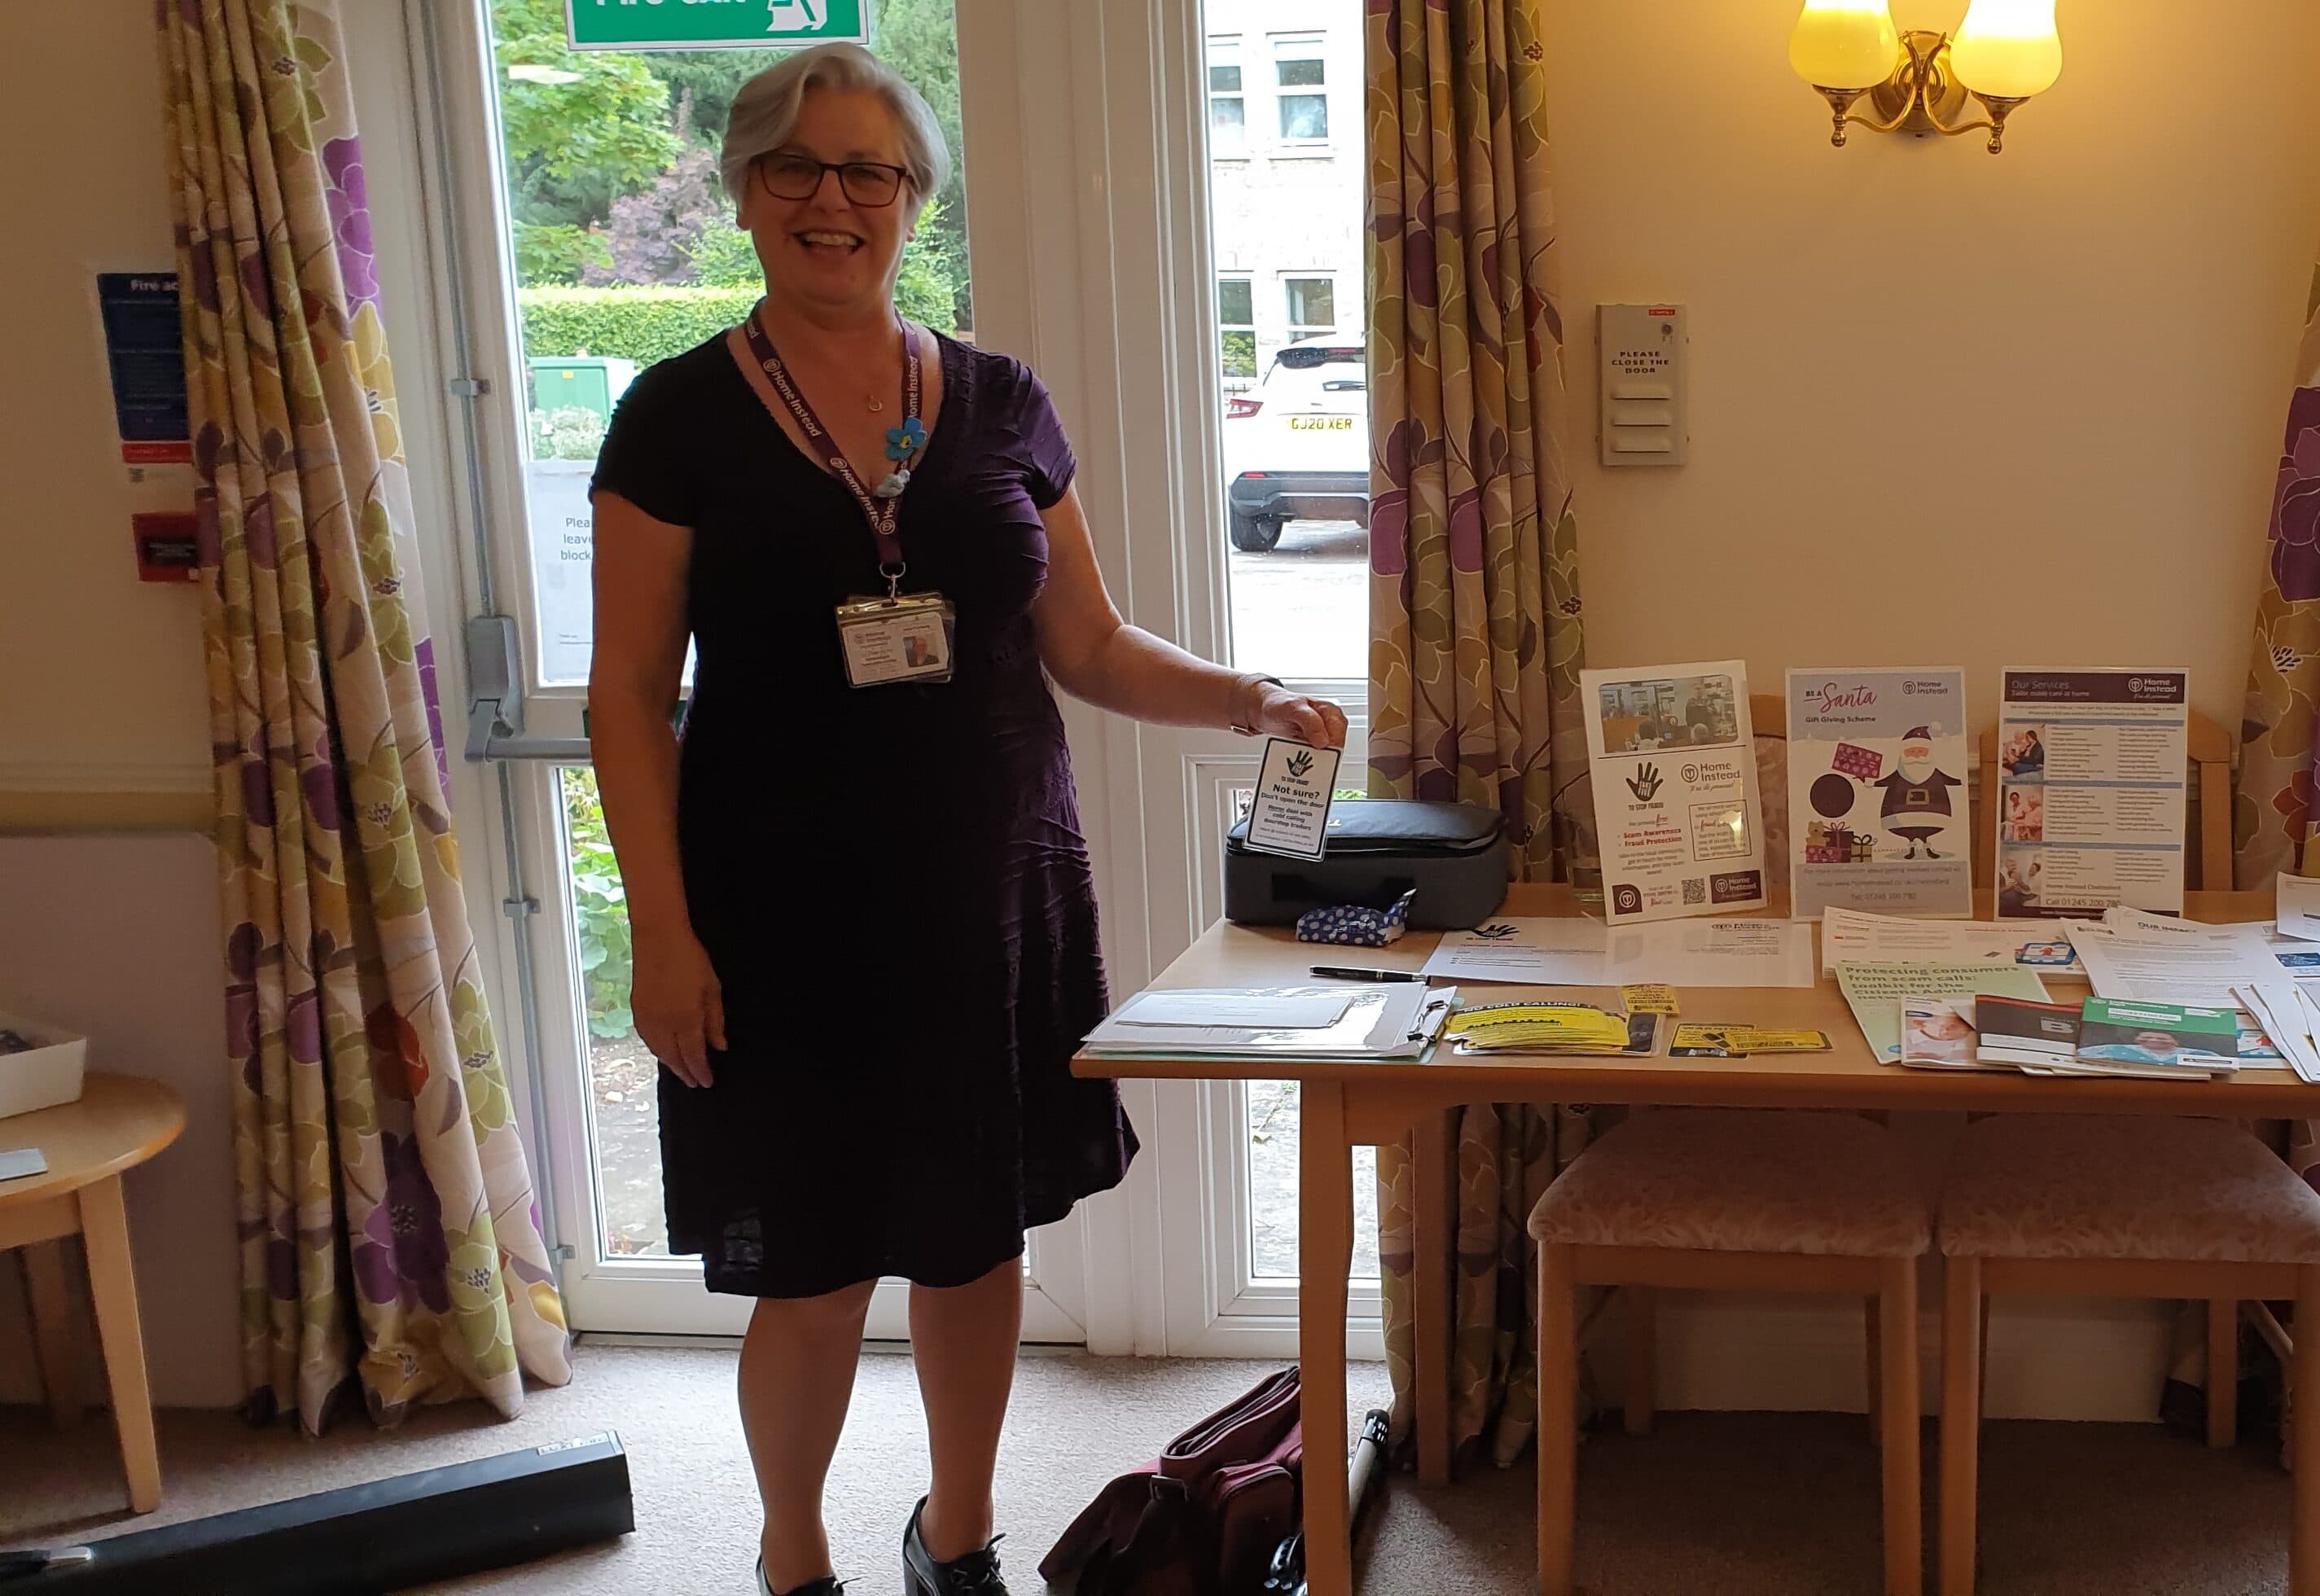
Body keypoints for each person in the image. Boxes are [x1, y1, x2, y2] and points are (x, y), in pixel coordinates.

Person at [584, 46, 1349, 1596]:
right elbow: (624, 702)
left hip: (988, 896)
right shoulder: (675, 418)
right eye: (795, 167)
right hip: (775, 914)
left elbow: (1090, 646)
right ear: (742, 195)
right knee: (806, 1268)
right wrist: (661, 936)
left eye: (870, 172)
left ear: (912, 201)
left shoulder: (999, 399)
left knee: (974, 1243)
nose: (833, 200)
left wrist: (1247, 700)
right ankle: (791, 1557)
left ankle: (959, 1533)